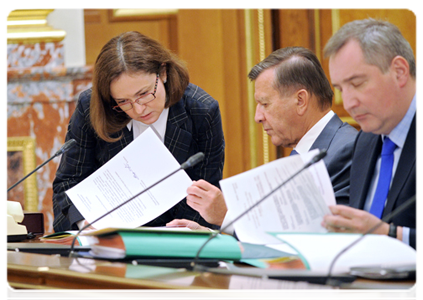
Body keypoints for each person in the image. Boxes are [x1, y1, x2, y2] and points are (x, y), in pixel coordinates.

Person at [52, 31, 225, 232]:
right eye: (123, 101)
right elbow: (67, 185)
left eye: (144, 94)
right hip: (107, 239)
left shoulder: (201, 111)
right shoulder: (91, 107)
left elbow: (206, 191)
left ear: (163, 73)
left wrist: (182, 231)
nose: (138, 109)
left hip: (175, 242)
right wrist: (86, 224)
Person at [168, 46, 357, 229]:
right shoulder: (305, 152)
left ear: (300, 101)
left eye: (265, 104)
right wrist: (209, 233)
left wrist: (228, 216)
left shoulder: (348, 149)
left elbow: (320, 234)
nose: (257, 117)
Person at [322, 18, 420, 252]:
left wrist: (390, 235)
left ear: (399, 72)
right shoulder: (366, 140)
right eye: (340, 89)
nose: (348, 102)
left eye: (357, 83)